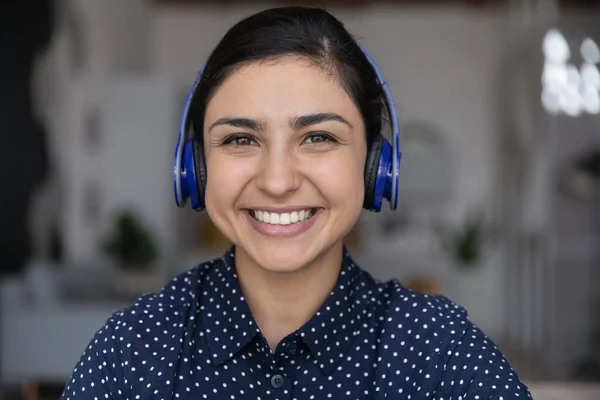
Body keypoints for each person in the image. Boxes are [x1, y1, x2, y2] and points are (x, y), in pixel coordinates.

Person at [61, 6, 532, 399]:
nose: (278, 181)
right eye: (241, 139)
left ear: (375, 167)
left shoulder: (440, 352)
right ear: (195, 168)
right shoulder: (133, 350)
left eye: (318, 137)